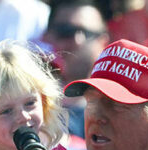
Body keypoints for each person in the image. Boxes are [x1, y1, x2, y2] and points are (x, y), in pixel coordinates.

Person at [43, 0, 110, 139]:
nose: (77, 40)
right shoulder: (28, 102)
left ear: (104, 42)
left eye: (88, 33)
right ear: (47, 36)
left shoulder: (117, 107)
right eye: (65, 31)